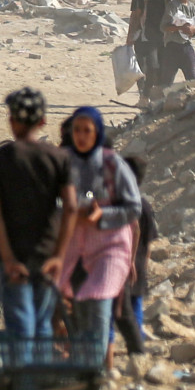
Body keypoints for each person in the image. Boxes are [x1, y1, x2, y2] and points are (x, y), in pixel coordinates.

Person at [0, 88, 75, 390]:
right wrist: (59, 257)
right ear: (43, 120)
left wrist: (7, 257)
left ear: (12, 121)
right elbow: (71, 208)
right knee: (43, 334)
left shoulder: (0, 159)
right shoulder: (57, 158)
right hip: (47, 261)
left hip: (15, 261)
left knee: (21, 333)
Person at [56, 107, 141, 369]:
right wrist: (69, 211)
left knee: (102, 303)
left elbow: (132, 209)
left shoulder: (113, 165)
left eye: (87, 131)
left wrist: (100, 215)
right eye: (77, 131)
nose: (81, 137)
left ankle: (97, 369)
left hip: (109, 248)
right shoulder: (62, 163)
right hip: (73, 248)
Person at [128, 0, 171, 100]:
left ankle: (154, 95)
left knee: (158, 67)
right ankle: (143, 94)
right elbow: (135, 14)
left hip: (162, 36)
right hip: (143, 34)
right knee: (143, 66)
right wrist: (131, 34)